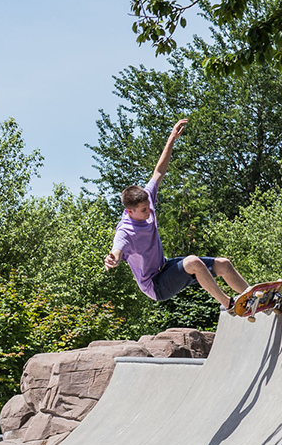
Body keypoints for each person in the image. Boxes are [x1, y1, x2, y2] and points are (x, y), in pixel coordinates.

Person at [102, 118, 251, 312]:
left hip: (165, 267)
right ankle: (230, 304)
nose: (149, 212)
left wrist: (172, 138)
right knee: (193, 262)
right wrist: (112, 258)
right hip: (155, 285)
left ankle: (255, 298)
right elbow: (117, 249)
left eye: (149, 206)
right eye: (144, 210)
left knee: (224, 264)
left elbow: (159, 171)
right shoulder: (125, 231)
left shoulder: (146, 197)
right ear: (129, 211)